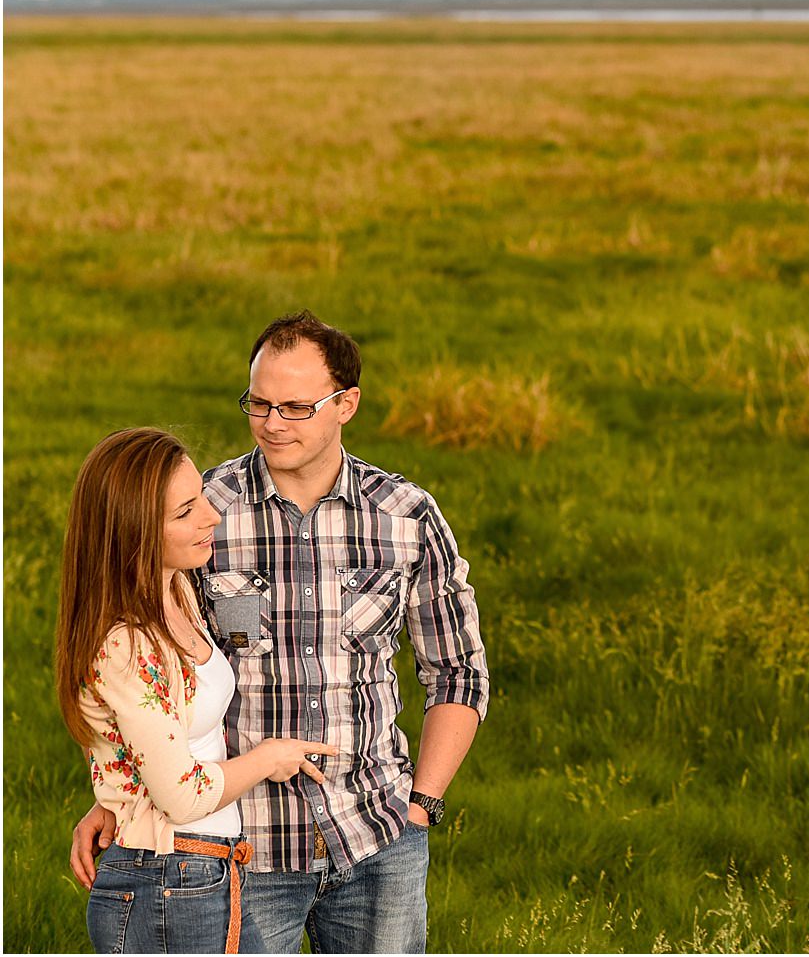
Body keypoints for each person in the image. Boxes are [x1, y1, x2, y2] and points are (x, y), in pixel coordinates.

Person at [71, 312, 491, 953]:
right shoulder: (204, 513)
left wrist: (420, 808)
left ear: (346, 404)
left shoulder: (406, 518)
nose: (272, 423)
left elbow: (458, 671)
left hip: (376, 836)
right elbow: (135, 666)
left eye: (295, 407)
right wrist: (121, 794)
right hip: (244, 852)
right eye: (259, 403)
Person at [57, 427, 338, 953]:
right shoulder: (126, 644)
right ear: (133, 532)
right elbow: (181, 796)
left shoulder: (178, 591)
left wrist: (116, 796)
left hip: (202, 871)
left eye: (202, 500)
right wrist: (269, 759)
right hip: (167, 879)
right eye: (185, 512)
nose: (211, 517)